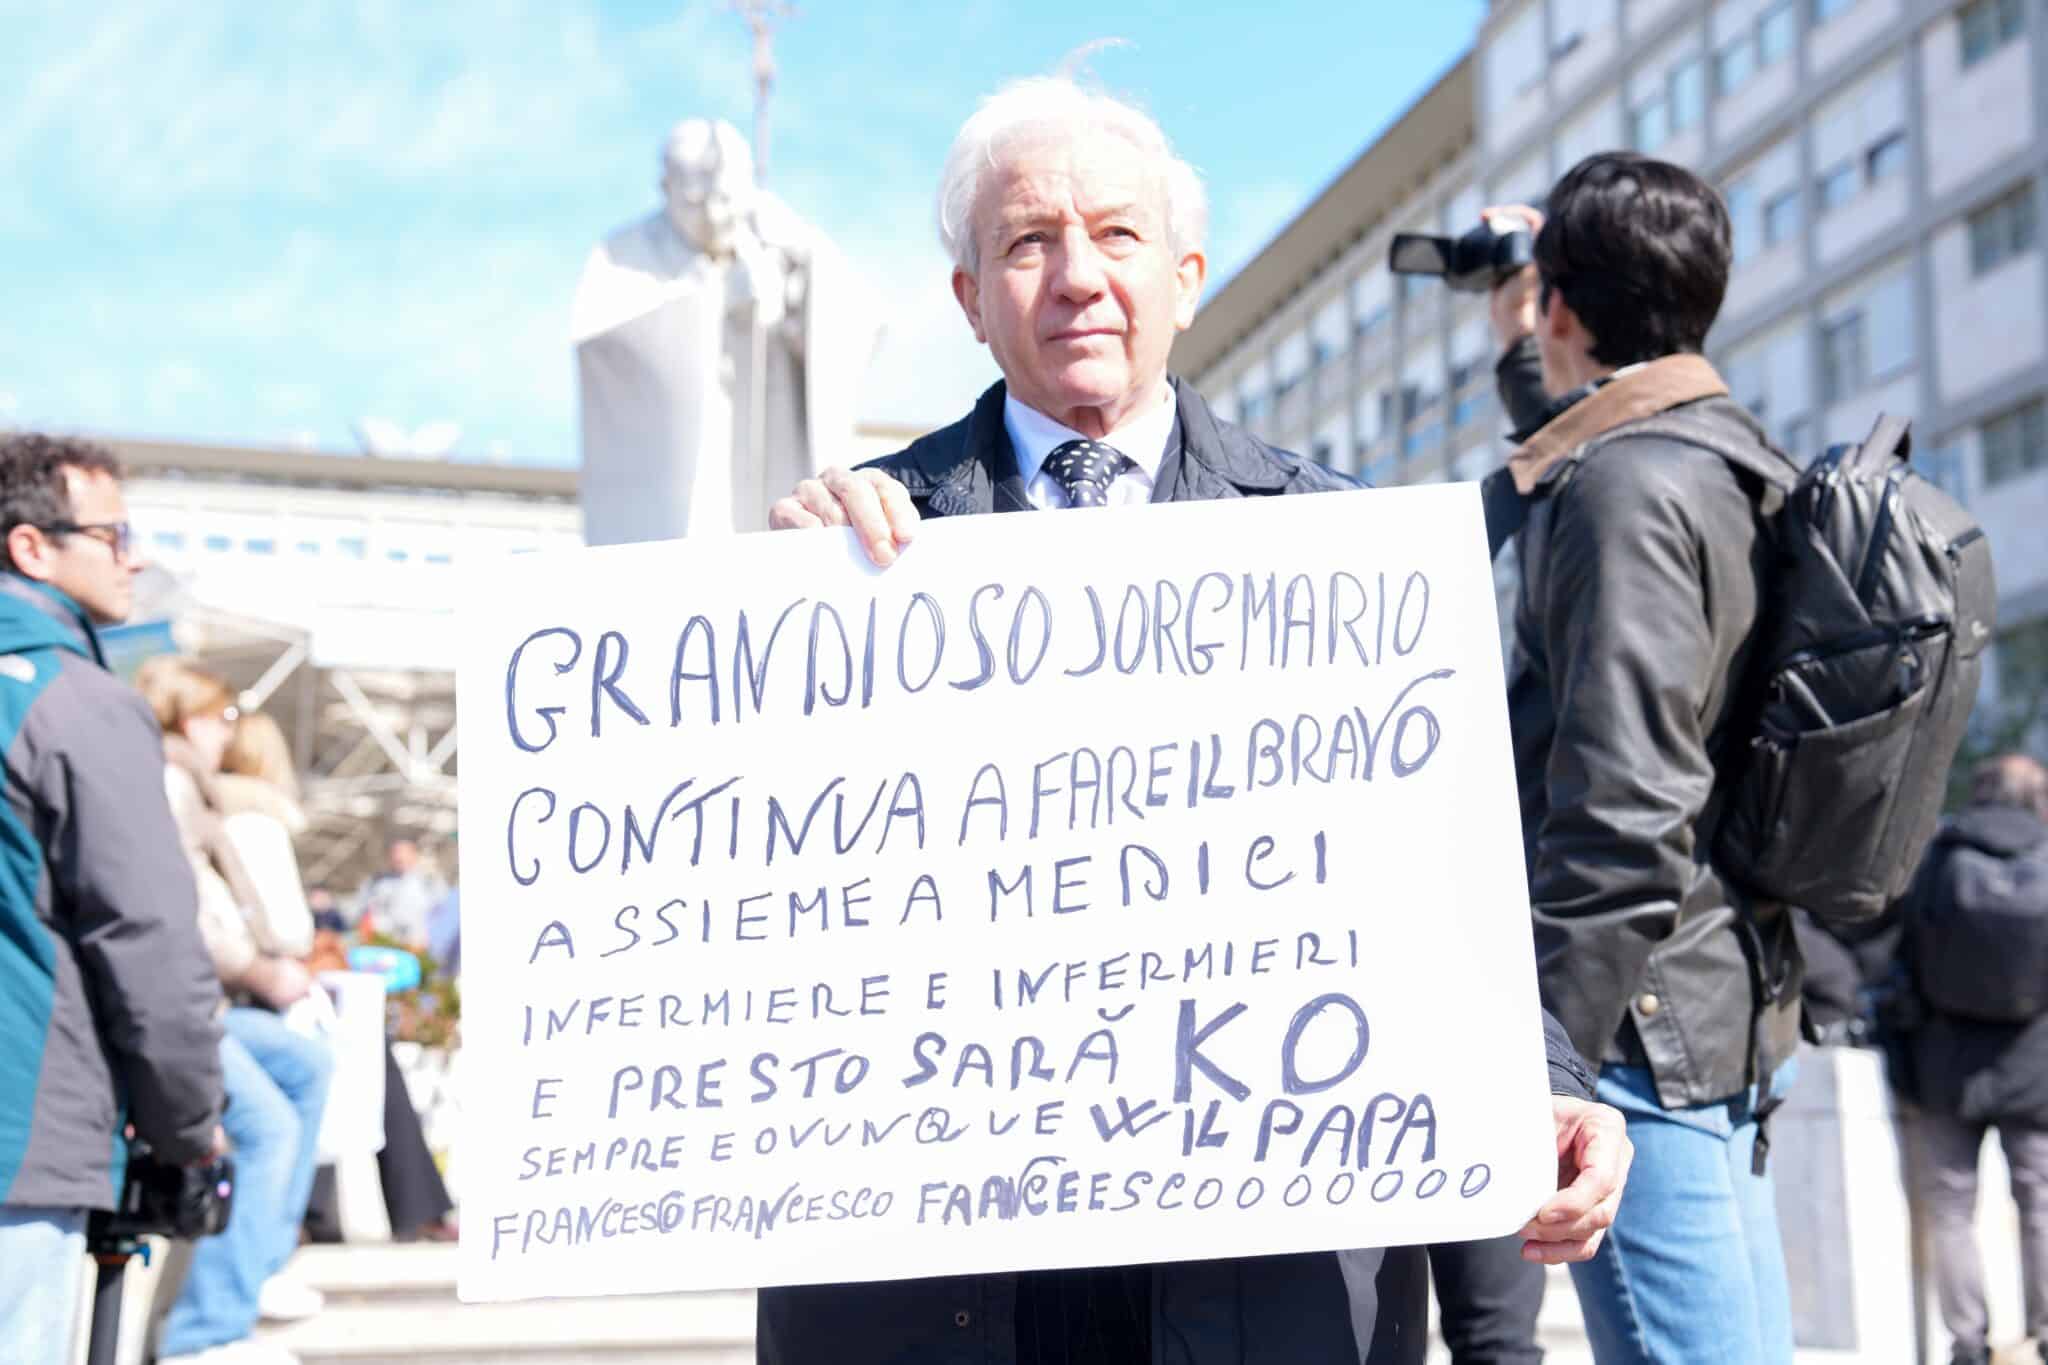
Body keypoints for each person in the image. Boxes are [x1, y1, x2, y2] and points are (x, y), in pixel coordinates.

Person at [759, 74, 1634, 1365]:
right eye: (1026, 242)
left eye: (1115, 235)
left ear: (1185, 276)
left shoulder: (1349, 556)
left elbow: (1449, 897)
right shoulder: (848, 554)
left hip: (1266, 1284)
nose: (1074, 277)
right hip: (949, 1291)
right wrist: (783, 632)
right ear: (968, 299)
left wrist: (1554, 1089)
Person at [1482, 153, 1807, 1364]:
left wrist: (1550, 1058)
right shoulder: (1717, 455)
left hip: (1630, 1019)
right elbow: (1581, 440)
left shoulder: (1622, 492)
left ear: (1566, 305)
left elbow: (1622, 802)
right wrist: (1528, 344)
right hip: (1712, 982)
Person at [0, 433, 226, 1364]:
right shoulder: (75, 702)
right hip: (23, 1142)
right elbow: (149, 936)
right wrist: (189, 1125)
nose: (135, 556)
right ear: (32, 547)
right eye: (117, 533)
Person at [139, 657, 333, 1365]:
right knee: (267, 1124)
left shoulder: (188, 785)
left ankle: (258, 1263)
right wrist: (260, 968)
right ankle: (206, 1332)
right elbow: (182, 913)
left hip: (207, 996)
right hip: (183, 1002)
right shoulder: (167, 783)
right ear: (190, 718)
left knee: (308, 1064)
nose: (230, 731)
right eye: (222, 717)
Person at [219, 709, 459, 1245]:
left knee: (323, 1068)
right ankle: (365, 1210)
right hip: (267, 984)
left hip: (244, 989)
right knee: (323, 1064)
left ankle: (316, 1213)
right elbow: (283, 925)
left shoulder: (214, 811)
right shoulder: (256, 821)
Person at [1898, 754, 2048, 1365]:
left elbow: (1892, 951)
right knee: (2040, 1201)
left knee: (1952, 1209)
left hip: (1943, 1065)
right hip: (2035, 1062)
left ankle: (1967, 1345)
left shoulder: (1936, 857)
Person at [353, 838, 446, 950]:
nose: (399, 857)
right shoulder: (376, 882)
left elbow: (442, 914)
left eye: (404, 853)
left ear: (414, 855)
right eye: (395, 853)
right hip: (380, 945)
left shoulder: (430, 882)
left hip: (417, 947)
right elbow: (361, 912)